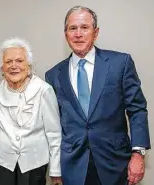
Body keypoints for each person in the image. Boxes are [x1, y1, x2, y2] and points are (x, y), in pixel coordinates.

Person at [45, 5, 151, 185]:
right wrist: (56, 168)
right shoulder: (53, 75)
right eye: (73, 28)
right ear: (66, 35)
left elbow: (137, 110)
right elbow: (53, 124)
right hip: (73, 167)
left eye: (84, 27)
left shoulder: (120, 63)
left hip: (115, 163)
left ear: (96, 32)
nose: (78, 34)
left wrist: (138, 153)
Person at [0, 37, 62, 185]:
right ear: (2, 68)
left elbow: (54, 132)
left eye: (19, 61)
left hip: (33, 163)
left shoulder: (43, 90)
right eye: (8, 62)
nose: (13, 66)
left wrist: (55, 170)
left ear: (29, 65)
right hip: (1, 162)